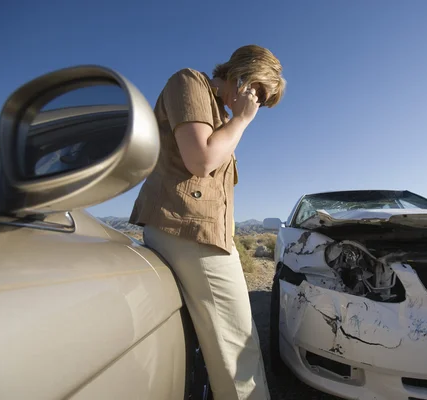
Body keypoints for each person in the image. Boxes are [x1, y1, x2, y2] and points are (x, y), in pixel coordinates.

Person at [129, 45, 286, 399]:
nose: (255, 103)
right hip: (190, 231)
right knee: (239, 350)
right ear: (242, 75)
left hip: (199, 233)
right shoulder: (190, 83)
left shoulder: (218, 111)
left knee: (220, 346)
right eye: (257, 92)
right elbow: (201, 160)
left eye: (262, 100)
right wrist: (242, 119)